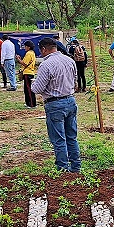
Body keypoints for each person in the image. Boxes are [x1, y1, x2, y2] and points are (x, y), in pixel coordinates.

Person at [29, 37, 81, 173]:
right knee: (71, 137)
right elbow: (75, 82)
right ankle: (76, 167)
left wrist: (33, 83)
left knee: (59, 139)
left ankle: (63, 169)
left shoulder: (46, 65)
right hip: (70, 100)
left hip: (55, 104)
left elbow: (37, 89)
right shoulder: (70, 61)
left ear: (44, 49)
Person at [20, 40, 38, 108]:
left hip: (28, 73)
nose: (25, 48)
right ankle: (28, 103)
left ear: (28, 47)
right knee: (27, 89)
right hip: (30, 72)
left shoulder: (28, 54)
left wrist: (19, 60)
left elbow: (25, 63)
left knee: (29, 90)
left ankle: (32, 104)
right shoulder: (32, 53)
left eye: (25, 46)